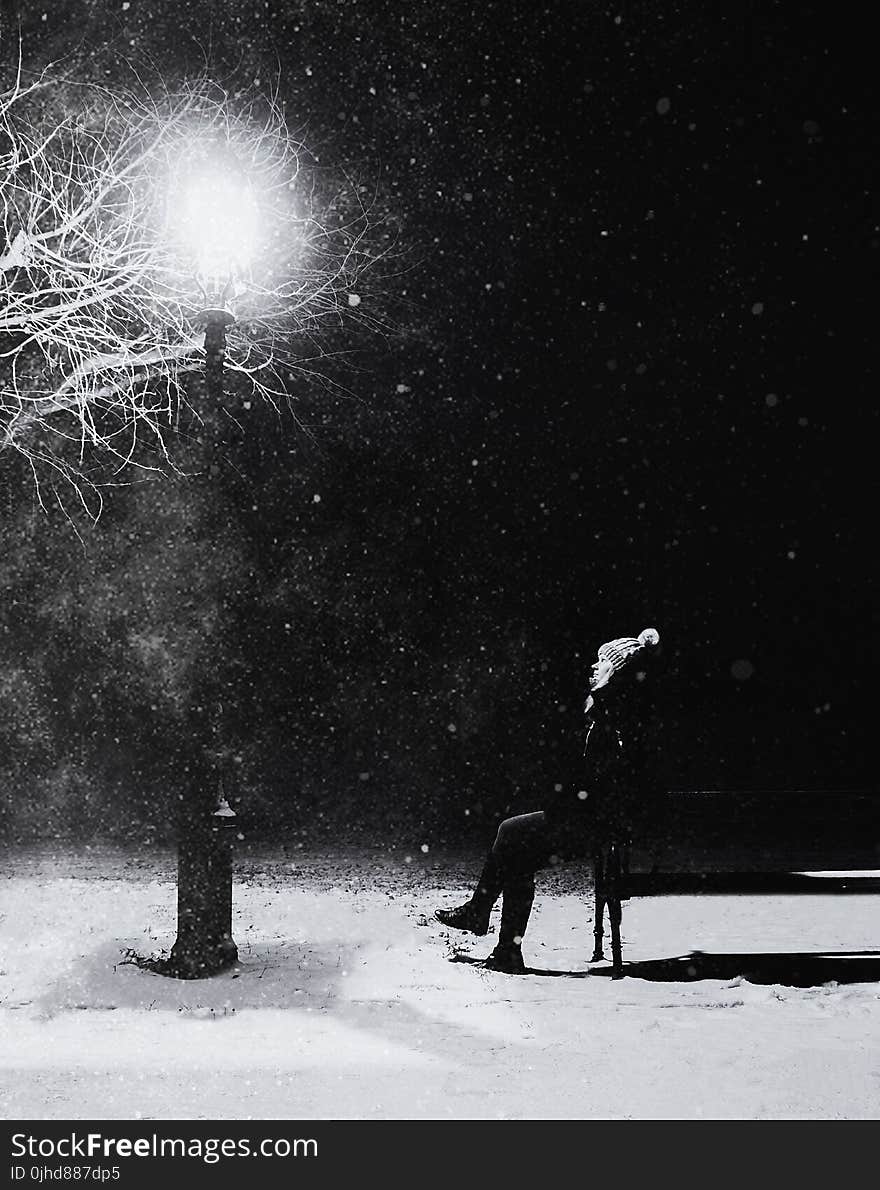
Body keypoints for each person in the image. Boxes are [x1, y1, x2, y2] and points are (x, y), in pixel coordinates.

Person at [434, 627, 662, 973]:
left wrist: (567, 794)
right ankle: (501, 943)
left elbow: (602, 780)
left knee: (510, 835)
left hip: (596, 823)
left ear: (616, 673)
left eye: (601, 664)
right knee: (515, 848)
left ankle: (485, 919)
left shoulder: (613, 716)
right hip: (592, 816)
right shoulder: (609, 712)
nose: (593, 668)